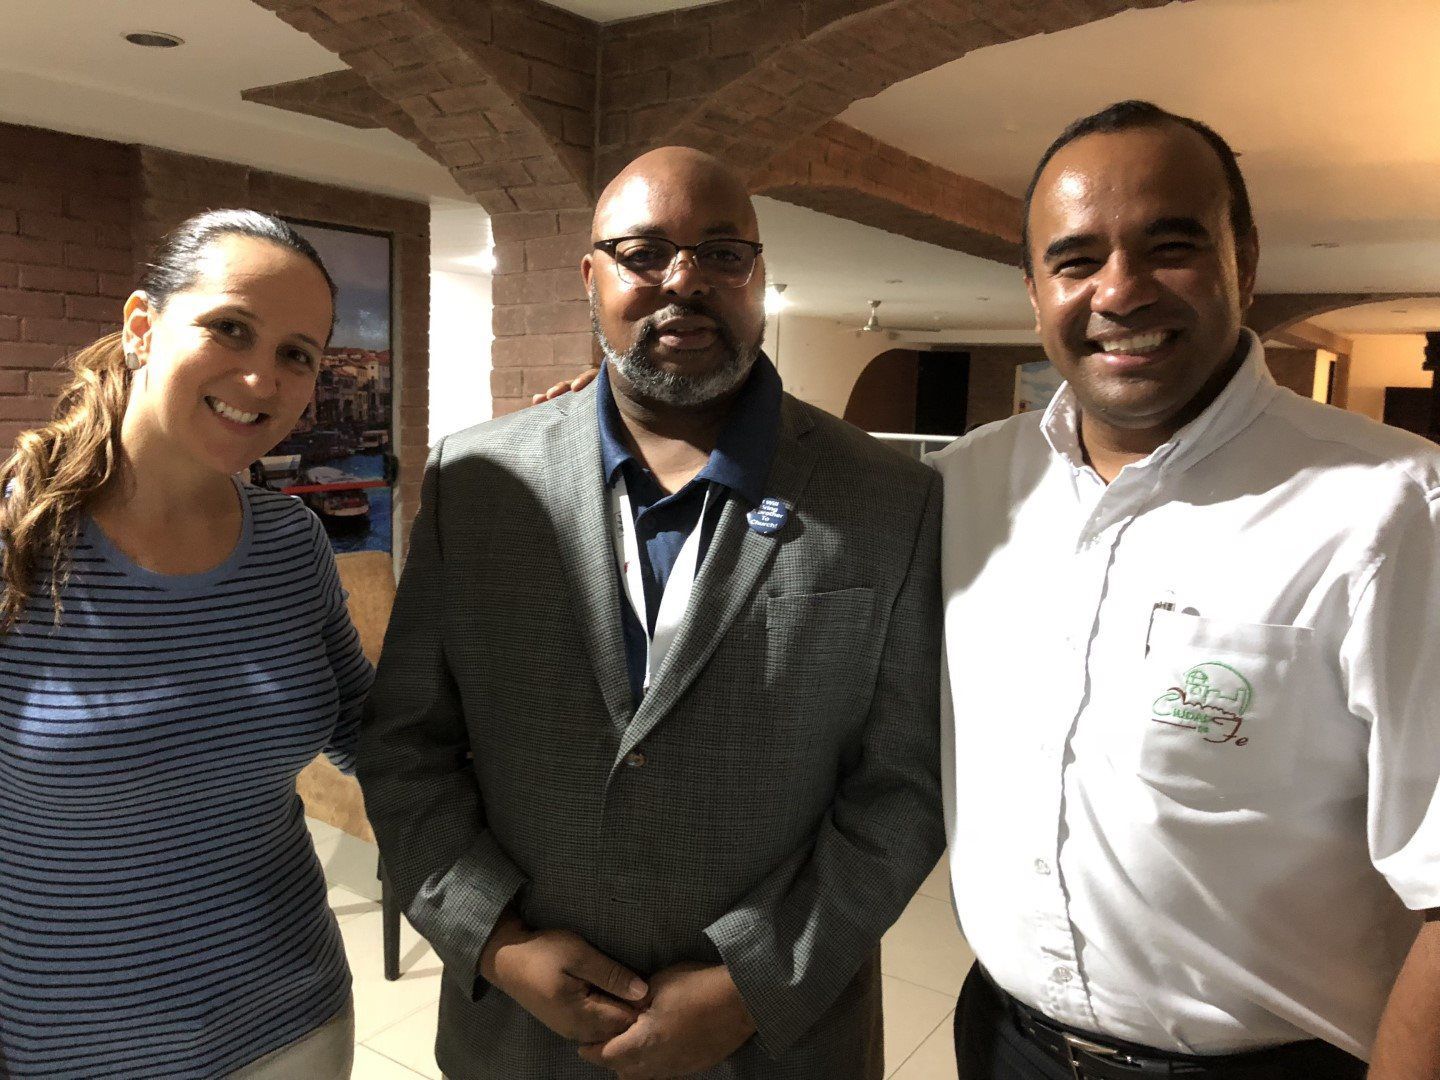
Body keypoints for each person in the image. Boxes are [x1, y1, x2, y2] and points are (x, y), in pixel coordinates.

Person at [357, 145, 944, 1080]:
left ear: (758, 276)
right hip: (521, 1038)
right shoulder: (476, 480)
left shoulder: (889, 497)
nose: (685, 280)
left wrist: (752, 985)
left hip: (775, 1045)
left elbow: (905, 788)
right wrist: (497, 942)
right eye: (644, 254)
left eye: (722, 253)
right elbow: (404, 748)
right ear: (590, 277)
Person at [931, 100, 1440, 1079]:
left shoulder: (1395, 509)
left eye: (1170, 247)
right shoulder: (965, 487)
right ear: (1034, 290)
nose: (1120, 290)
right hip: (1003, 1044)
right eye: (1076, 260)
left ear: (1244, 261)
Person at [0, 210, 373, 1079]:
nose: (260, 377)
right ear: (143, 324)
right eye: (230, 328)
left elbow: (370, 731)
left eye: (297, 354)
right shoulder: (19, 543)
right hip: (68, 1046)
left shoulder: (291, 543)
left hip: (295, 1023)